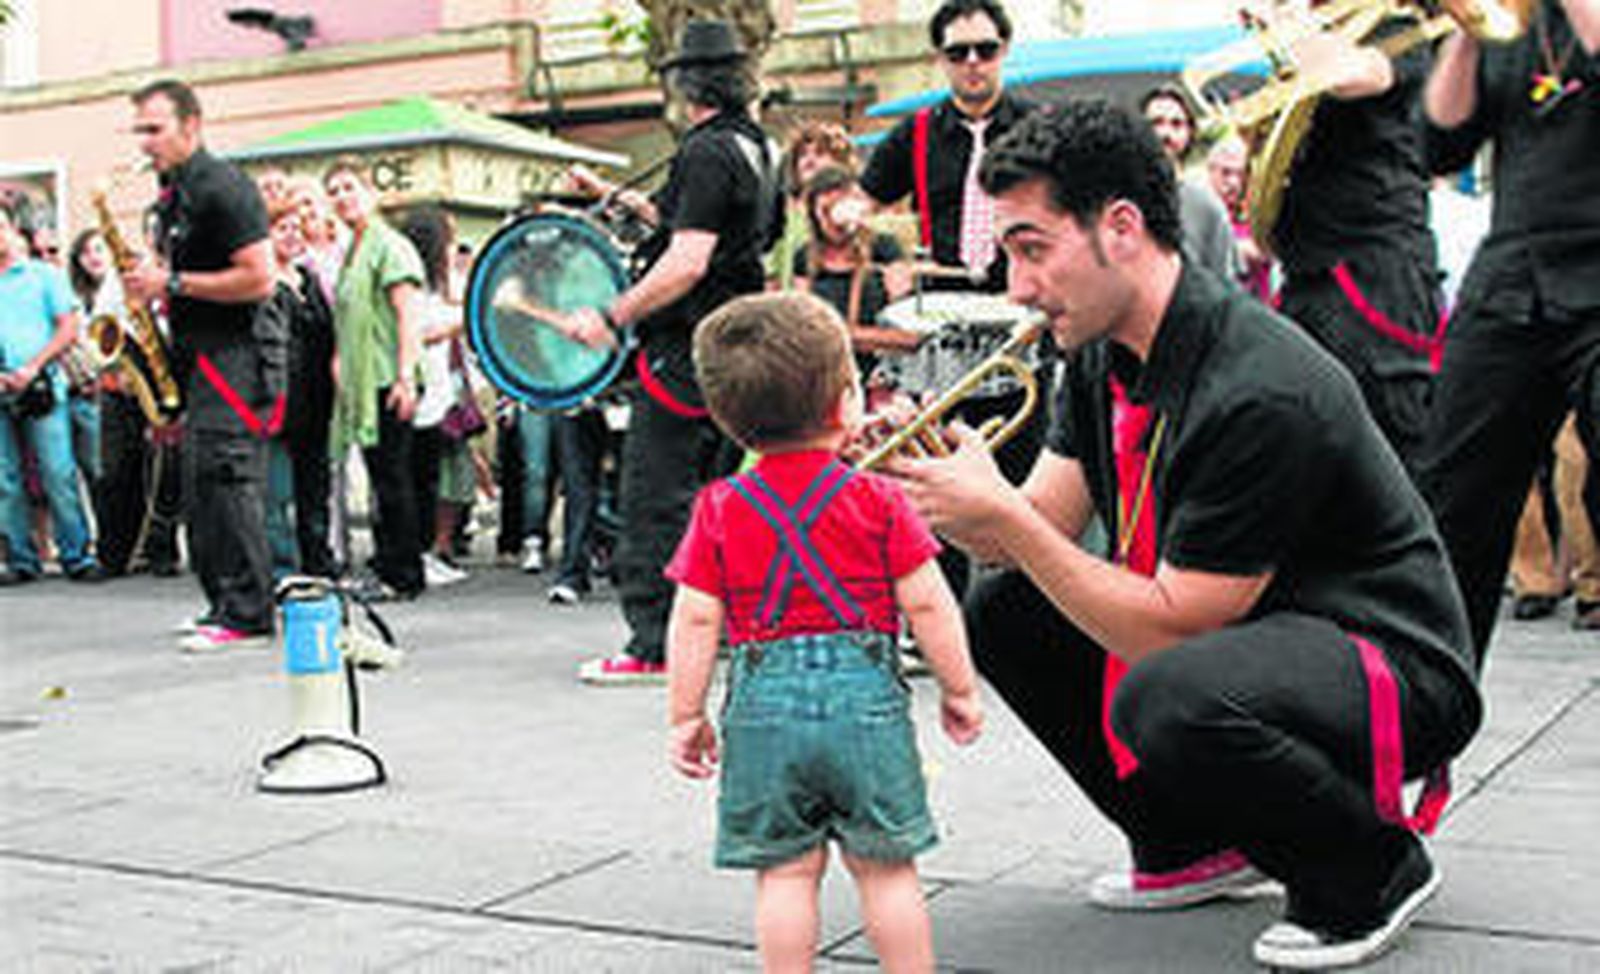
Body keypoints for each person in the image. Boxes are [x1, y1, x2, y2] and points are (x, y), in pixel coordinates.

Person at [886, 100, 1483, 969]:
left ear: (1120, 228)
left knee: (1167, 691)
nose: (1015, 287)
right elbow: (1028, 536)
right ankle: (1188, 844)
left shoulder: (1258, 385)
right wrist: (939, 482)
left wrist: (1005, 518)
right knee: (1005, 605)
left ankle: (1372, 871)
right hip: (1261, 637)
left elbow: (1172, 628)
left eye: (1031, 248)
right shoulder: (1098, 349)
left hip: (1390, 659)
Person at [665, 291, 981, 972]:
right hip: (864, 708)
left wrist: (685, 714)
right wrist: (960, 688)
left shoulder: (719, 508)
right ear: (846, 403)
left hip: (763, 713)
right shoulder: (878, 500)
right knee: (887, 871)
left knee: (785, 875)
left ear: (728, 419)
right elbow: (929, 604)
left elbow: (694, 616)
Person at [556, 19, 779, 684]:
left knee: (655, 500)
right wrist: (608, 195)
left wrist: (611, 314)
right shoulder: (756, 147)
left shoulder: (706, 152)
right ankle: (719, 632)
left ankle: (654, 642)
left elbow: (687, 259)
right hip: (737, 343)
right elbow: (687, 220)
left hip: (687, 352)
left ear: (686, 84)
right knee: (715, 500)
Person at [1420, 0, 1600, 662]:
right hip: (1514, 273)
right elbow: (1438, 143)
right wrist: (1465, 32)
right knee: (1448, 497)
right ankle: (1430, 706)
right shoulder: (1512, 25)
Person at [124, 79, 277, 649]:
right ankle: (221, 603)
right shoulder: (175, 193)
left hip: (235, 355)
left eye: (154, 129)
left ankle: (248, 611)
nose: (144, 142)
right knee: (201, 486)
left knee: (228, 481)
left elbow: (260, 277)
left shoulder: (223, 186)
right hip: (198, 352)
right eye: (139, 129)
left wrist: (173, 281)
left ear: (192, 126)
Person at [1267, 4, 1445, 477]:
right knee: (1308, 451)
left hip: (1373, 272)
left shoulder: (1399, 28)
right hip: (1308, 275)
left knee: (1394, 454)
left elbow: (1347, 74)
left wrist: (1282, 17)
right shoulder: (1317, 40)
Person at [323, 156, 427, 601]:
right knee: (380, 476)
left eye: (349, 187)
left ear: (371, 191)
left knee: (392, 479)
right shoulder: (355, 249)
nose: (342, 197)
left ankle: (403, 573)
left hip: (387, 378)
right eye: (335, 191)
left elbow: (408, 315)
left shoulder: (390, 245)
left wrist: (406, 377)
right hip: (363, 383)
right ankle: (388, 563)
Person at [0, 200, 104, 586]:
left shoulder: (43, 276)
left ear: (11, 229)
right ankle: (21, 558)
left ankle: (76, 553)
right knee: (5, 479)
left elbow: (68, 327)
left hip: (43, 386)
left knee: (58, 472)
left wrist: (33, 366)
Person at [260, 195, 337, 581]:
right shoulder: (261, 283)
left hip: (315, 400)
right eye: (282, 228)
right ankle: (282, 570)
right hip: (277, 401)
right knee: (277, 495)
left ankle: (318, 563)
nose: (291, 235)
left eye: (295, 227)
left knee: (314, 490)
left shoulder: (309, 278)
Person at [397, 206, 471, 589]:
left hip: (437, 393)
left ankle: (425, 552)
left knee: (427, 478)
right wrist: (460, 320)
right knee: (412, 479)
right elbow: (422, 331)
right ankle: (411, 554)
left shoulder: (443, 285)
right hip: (415, 391)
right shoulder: (411, 284)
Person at [793, 165, 918, 386]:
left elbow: (907, 332)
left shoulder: (884, 249)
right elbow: (802, 328)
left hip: (880, 372)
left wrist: (849, 336)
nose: (835, 222)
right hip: (826, 371)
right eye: (826, 210)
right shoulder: (805, 258)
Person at [1138, 85, 1238, 280]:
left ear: (1190, 133)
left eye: (1176, 124)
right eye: (1156, 123)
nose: (1165, 133)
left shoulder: (1206, 205)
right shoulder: (1120, 196)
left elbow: (1224, 283)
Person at [770, 120, 859, 290]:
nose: (809, 160)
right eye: (803, 154)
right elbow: (773, 270)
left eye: (819, 153)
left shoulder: (853, 209)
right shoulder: (784, 211)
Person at [1205, 135, 1275, 301]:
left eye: (1240, 174)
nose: (1234, 182)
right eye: (1226, 173)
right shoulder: (1200, 213)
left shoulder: (1256, 215)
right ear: (1210, 171)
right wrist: (1237, 249)